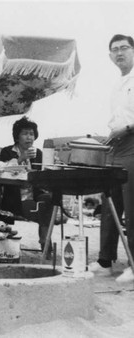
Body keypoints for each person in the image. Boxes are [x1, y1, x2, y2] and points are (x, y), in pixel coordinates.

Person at [90, 34, 134, 283]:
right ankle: (106, 260)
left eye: (124, 48)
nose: (119, 53)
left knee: (132, 205)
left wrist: (126, 130)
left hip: (132, 142)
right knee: (109, 203)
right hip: (115, 144)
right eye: (114, 50)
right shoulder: (118, 84)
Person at [0, 116, 53, 256]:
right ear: (17, 137)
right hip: (14, 197)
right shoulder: (7, 152)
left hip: (35, 193)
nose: (29, 137)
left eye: (32, 134)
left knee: (48, 200)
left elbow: (43, 175)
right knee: (40, 208)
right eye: (25, 133)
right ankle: (45, 243)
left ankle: (44, 241)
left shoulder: (38, 153)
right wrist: (21, 158)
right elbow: (2, 171)